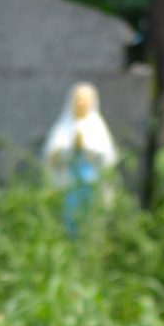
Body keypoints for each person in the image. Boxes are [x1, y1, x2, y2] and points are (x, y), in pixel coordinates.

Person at [41, 82, 118, 233]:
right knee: (69, 218)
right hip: (69, 183)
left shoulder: (97, 126)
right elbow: (52, 155)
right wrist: (70, 150)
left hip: (91, 182)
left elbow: (108, 157)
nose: (82, 103)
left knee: (91, 217)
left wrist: (86, 149)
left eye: (86, 99)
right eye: (79, 99)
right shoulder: (64, 126)